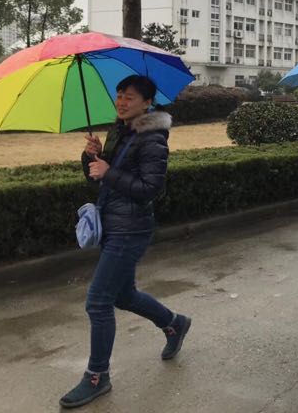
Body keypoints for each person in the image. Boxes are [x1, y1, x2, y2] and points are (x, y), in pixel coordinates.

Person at [60, 76, 190, 409]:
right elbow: (100, 180)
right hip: (112, 223)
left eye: (129, 97)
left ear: (147, 103)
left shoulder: (153, 138)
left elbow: (151, 189)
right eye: (119, 95)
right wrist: (91, 157)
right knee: (123, 295)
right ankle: (174, 323)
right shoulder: (119, 131)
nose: (121, 101)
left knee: (98, 302)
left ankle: (97, 376)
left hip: (131, 229)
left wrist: (109, 171)